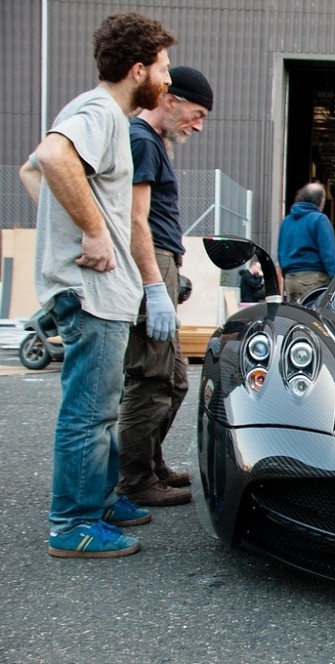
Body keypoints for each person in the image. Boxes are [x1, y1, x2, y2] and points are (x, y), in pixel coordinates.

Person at [18, 12, 176, 558]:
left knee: (103, 405)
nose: (169, 79)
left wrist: (68, 223)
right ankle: (73, 523)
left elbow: (30, 172)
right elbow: (50, 158)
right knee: (88, 410)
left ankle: (100, 499)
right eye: (164, 67)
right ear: (139, 70)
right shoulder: (102, 111)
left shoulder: (102, 114)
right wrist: (89, 231)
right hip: (90, 292)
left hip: (100, 290)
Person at [116, 66, 214, 507]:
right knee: (150, 379)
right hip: (150, 263)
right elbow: (135, 220)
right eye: (196, 113)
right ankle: (134, 480)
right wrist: (155, 285)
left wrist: (174, 273)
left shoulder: (152, 144)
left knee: (174, 380)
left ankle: (150, 465)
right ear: (169, 100)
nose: (198, 124)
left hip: (161, 261)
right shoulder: (141, 140)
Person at [277, 183, 335, 302]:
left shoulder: (286, 221)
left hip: (290, 279)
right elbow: (330, 255)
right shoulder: (319, 219)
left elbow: (281, 254)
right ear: (319, 202)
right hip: (313, 279)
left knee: (296, 317)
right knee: (315, 317)